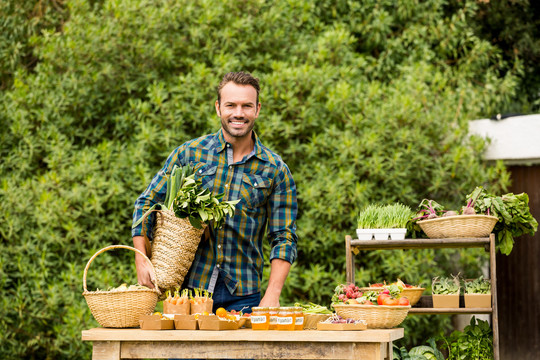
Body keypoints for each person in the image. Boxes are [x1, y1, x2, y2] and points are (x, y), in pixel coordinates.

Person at [131, 71, 298, 313]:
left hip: (244, 297)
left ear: (257, 109)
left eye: (246, 106)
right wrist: (140, 259)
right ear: (218, 108)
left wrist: (272, 295)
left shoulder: (275, 169)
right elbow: (146, 203)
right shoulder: (190, 154)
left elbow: (284, 237)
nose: (238, 113)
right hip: (186, 293)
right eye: (231, 105)